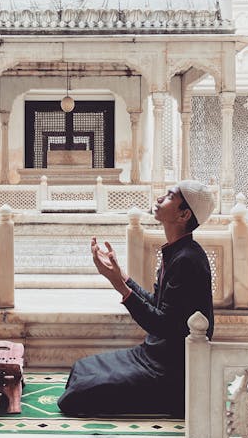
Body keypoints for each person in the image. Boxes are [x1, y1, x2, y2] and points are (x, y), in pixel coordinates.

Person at [57, 179, 215, 418]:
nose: (160, 198)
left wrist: (119, 286)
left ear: (184, 215)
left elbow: (162, 324)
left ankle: (170, 402)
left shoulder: (188, 260)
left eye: (170, 196)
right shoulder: (176, 251)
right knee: (81, 368)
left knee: (74, 397)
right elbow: (157, 304)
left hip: (169, 373)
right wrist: (122, 275)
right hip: (151, 355)